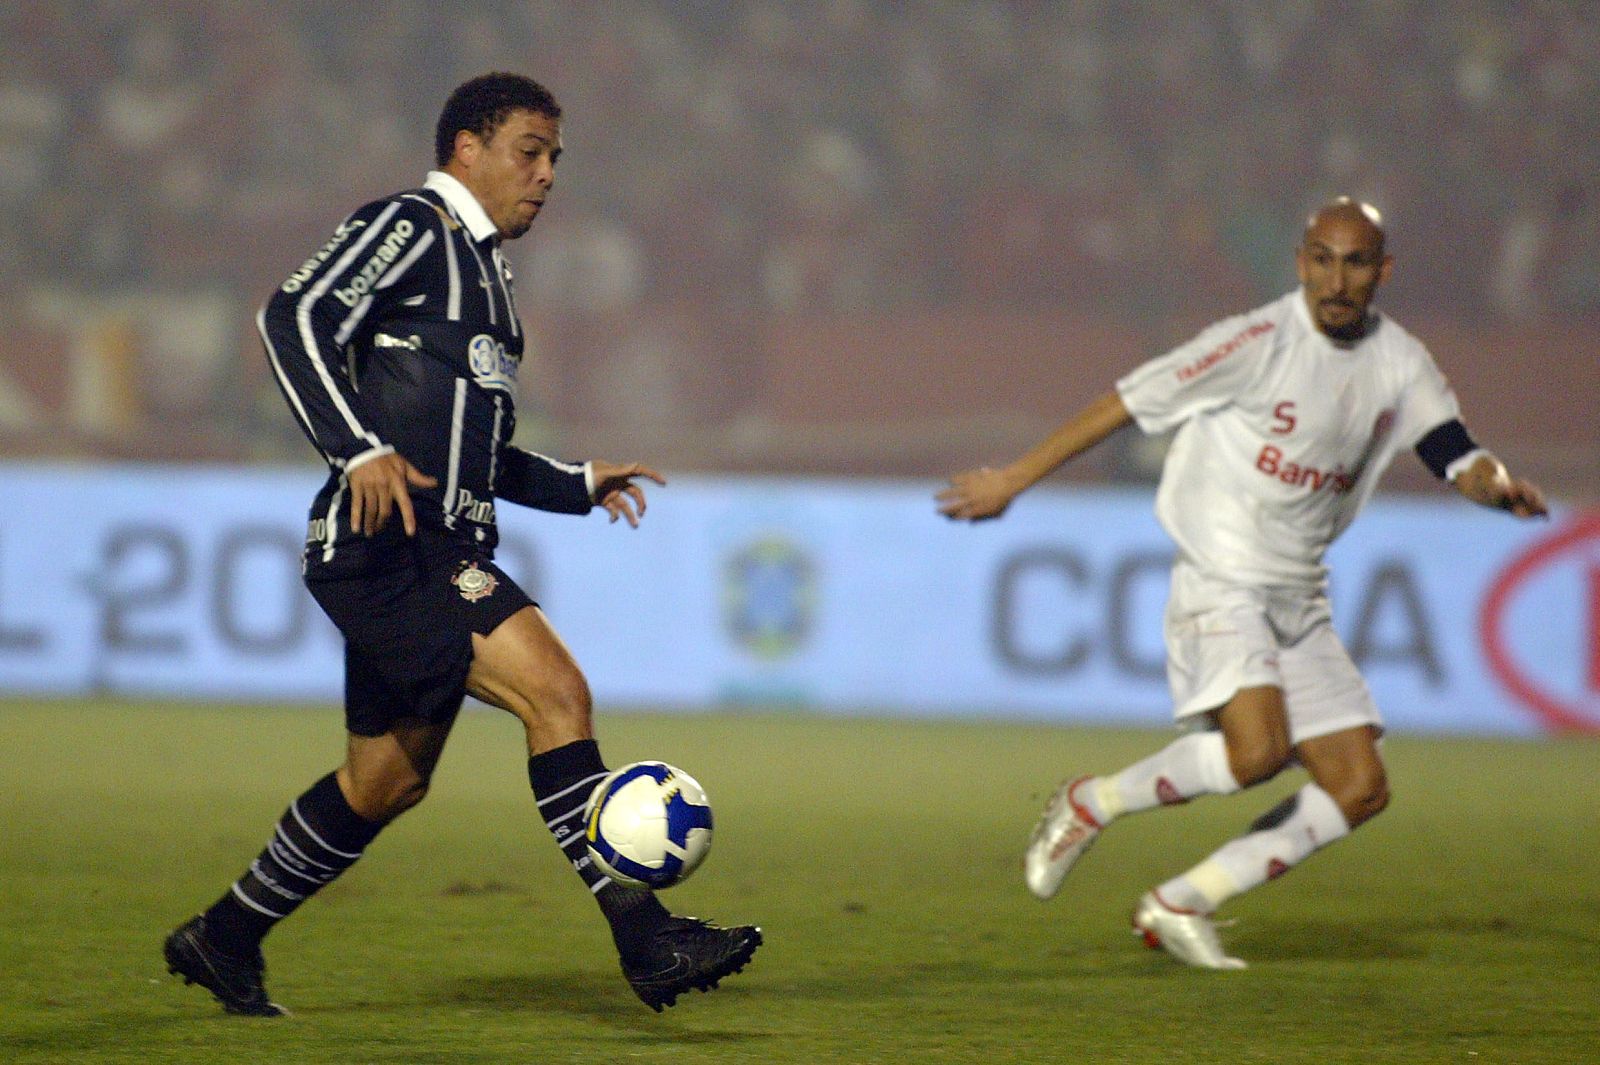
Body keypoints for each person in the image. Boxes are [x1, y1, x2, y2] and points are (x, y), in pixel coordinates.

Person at [164, 72, 760, 1016]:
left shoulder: (490, 281)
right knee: (557, 693)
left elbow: (476, 453)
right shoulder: (412, 226)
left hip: (426, 540)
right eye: (530, 150)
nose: (548, 173)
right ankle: (648, 940)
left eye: (555, 156)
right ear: (466, 149)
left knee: (386, 781)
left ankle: (223, 936)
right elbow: (294, 315)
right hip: (395, 544)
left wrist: (576, 482)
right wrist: (357, 449)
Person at [937, 198, 1547, 969]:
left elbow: (1456, 452)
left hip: (1299, 594)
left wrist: (1497, 487)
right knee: (1256, 751)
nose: (1337, 280)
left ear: (1383, 271)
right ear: (1300, 262)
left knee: (1359, 785)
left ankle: (1180, 901)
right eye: (1322, 259)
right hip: (1222, 573)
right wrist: (1014, 478)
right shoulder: (1255, 342)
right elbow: (1128, 401)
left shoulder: (1401, 363)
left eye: (1355, 263)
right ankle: (1094, 801)